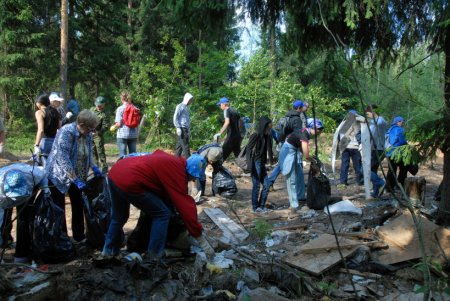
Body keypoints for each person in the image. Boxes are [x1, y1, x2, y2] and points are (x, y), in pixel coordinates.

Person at [102, 151, 215, 262]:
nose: (194, 179)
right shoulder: (178, 172)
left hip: (116, 173)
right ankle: (154, 256)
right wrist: (199, 237)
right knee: (162, 214)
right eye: (193, 176)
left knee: (119, 217)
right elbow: (185, 206)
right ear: (189, 171)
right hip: (130, 180)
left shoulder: (173, 161)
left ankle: (108, 251)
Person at [45, 109, 102, 242]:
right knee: (59, 208)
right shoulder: (66, 132)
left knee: (78, 204)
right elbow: (62, 158)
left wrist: (93, 166)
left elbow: (88, 152)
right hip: (58, 174)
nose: (92, 131)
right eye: (90, 128)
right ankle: (62, 237)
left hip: (79, 175)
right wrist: (74, 179)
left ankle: (79, 235)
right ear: (82, 124)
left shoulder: (87, 134)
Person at [279, 118, 324, 211]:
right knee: (291, 178)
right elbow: (306, 156)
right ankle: (294, 205)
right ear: (314, 128)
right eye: (319, 130)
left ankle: (300, 197)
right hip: (287, 151)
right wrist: (314, 161)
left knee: (299, 174)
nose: (319, 132)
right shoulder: (304, 135)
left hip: (295, 150)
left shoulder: (306, 132)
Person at [268, 100, 306, 190]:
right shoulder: (297, 119)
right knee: (286, 164)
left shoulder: (287, 116)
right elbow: (298, 134)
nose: (303, 109)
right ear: (299, 108)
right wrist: (301, 147)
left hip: (283, 143)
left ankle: (300, 184)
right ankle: (270, 181)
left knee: (287, 163)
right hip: (291, 145)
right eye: (302, 107)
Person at [247, 116, 273, 213]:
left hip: (262, 163)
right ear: (264, 125)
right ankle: (255, 207)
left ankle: (261, 206)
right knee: (256, 185)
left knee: (267, 184)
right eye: (268, 127)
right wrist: (250, 166)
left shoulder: (267, 135)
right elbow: (249, 149)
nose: (270, 129)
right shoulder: (256, 135)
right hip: (255, 162)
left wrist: (271, 161)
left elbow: (269, 149)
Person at [365, 104, 388, 197]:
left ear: (373, 112)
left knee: (366, 169)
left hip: (377, 149)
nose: (367, 115)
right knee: (373, 170)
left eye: (368, 113)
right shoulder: (376, 122)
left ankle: (381, 183)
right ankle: (375, 192)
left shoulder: (379, 121)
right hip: (376, 149)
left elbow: (371, 134)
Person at [33, 94, 60, 163]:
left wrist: (36, 145)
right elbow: (59, 127)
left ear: (39, 103)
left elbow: (41, 130)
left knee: (41, 166)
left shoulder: (39, 112)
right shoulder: (55, 111)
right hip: (55, 142)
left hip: (44, 143)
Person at [339, 110, 364, 186]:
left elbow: (339, 135)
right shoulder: (357, 123)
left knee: (344, 164)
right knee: (357, 165)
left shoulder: (343, 123)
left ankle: (343, 181)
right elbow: (359, 135)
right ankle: (360, 181)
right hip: (354, 147)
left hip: (344, 146)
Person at [111, 90, 138, 158]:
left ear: (121, 98)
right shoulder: (135, 108)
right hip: (133, 135)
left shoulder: (120, 109)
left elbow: (119, 124)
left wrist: (113, 126)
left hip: (122, 135)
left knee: (123, 155)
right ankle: (134, 168)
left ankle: (124, 168)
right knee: (133, 155)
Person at [385, 116, 409, 191]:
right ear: (398, 122)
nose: (403, 123)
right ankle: (400, 185)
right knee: (404, 168)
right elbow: (402, 141)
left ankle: (389, 187)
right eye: (402, 122)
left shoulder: (389, 129)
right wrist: (407, 146)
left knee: (391, 170)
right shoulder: (399, 129)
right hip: (398, 153)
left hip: (389, 153)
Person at [90, 96, 109, 173]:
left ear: (104, 104)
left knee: (100, 152)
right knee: (93, 152)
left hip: (98, 135)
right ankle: (96, 169)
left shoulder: (104, 114)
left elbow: (105, 126)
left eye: (100, 105)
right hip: (90, 133)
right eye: (97, 104)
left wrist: (98, 133)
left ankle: (104, 169)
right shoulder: (91, 110)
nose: (98, 106)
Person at [173, 92, 194, 157]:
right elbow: (175, 117)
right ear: (187, 99)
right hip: (182, 128)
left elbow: (186, 119)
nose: (191, 101)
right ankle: (189, 162)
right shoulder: (180, 106)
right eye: (190, 100)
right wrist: (178, 127)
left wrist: (188, 129)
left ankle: (176, 160)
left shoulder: (186, 107)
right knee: (185, 146)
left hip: (185, 129)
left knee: (179, 147)